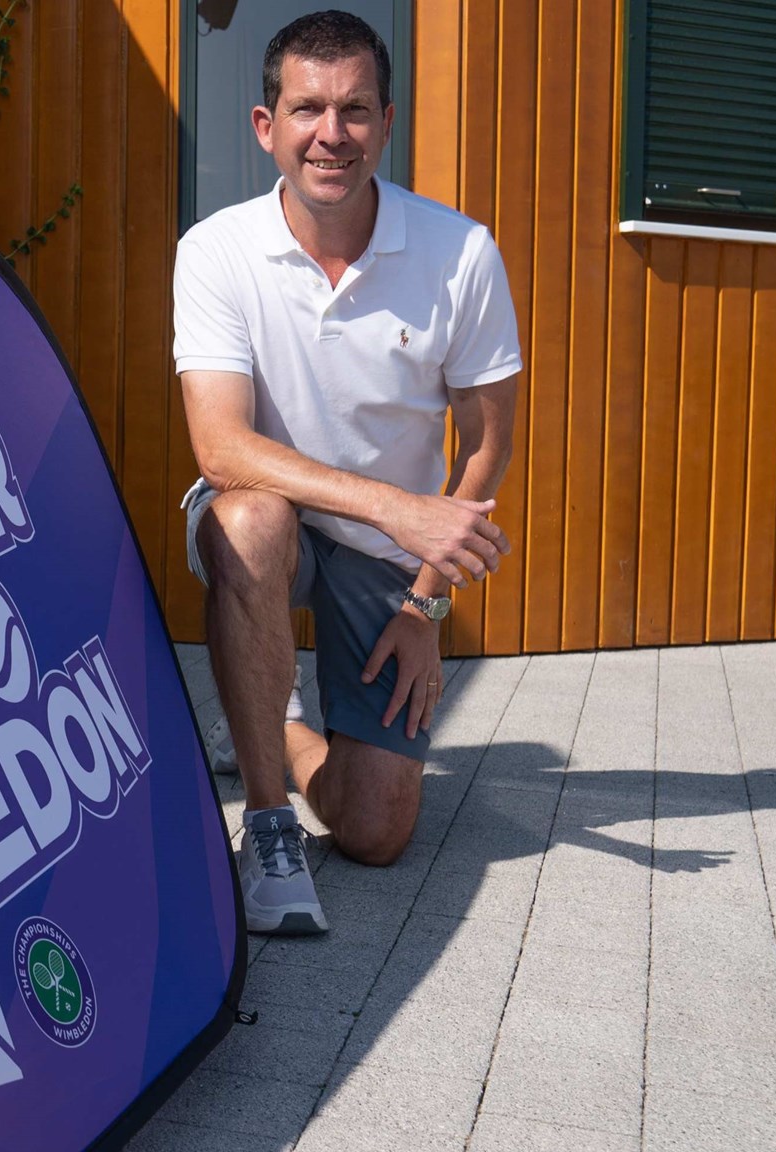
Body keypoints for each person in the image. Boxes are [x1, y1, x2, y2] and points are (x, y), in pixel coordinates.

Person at [173, 11, 521, 934]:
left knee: (375, 833)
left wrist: (428, 609)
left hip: (385, 559)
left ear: (388, 122)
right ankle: (270, 823)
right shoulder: (215, 252)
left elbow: (488, 444)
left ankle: (275, 712)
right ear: (266, 125)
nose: (332, 134)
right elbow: (221, 448)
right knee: (249, 520)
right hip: (280, 525)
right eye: (308, 109)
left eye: (356, 110)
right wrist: (399, 508)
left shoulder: (460, 255)